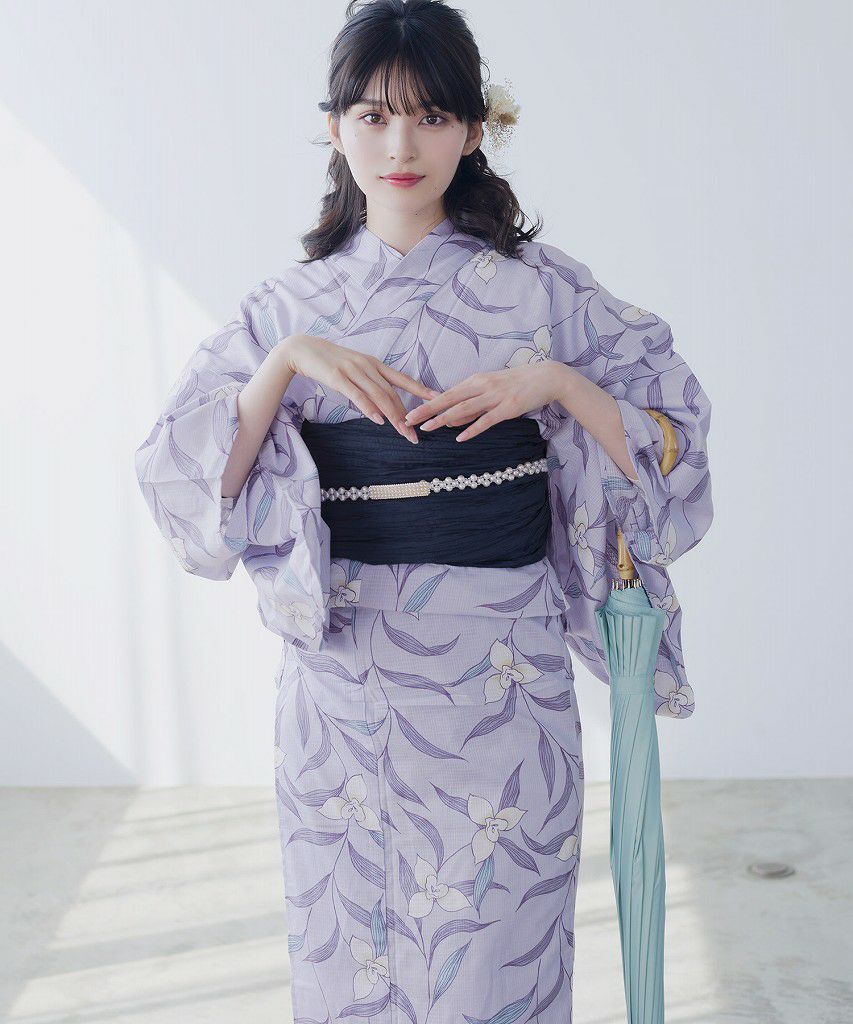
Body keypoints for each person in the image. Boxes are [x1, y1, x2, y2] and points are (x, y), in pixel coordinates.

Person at [134, 1, 713, 1019]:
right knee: (354, 956)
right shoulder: (284, 310)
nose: (400, 146)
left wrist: (557, 386)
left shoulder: (543, 293)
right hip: (342, 681)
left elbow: (674, 433)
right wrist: (287, 363)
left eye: (431, 116)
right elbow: (185, 484)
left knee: (497, 953)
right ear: (333, 128)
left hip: (500, 672)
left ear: (474, 130)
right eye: (372, 116)